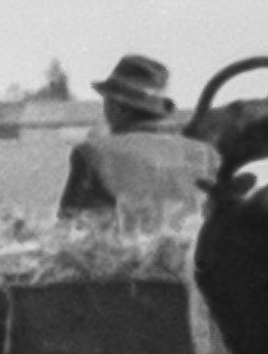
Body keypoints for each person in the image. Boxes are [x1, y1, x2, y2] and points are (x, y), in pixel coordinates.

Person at [57, 54, 217, 229]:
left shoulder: (92, 153)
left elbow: (70, 232)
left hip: (120, 254)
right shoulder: (206, 155)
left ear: (116, 105)